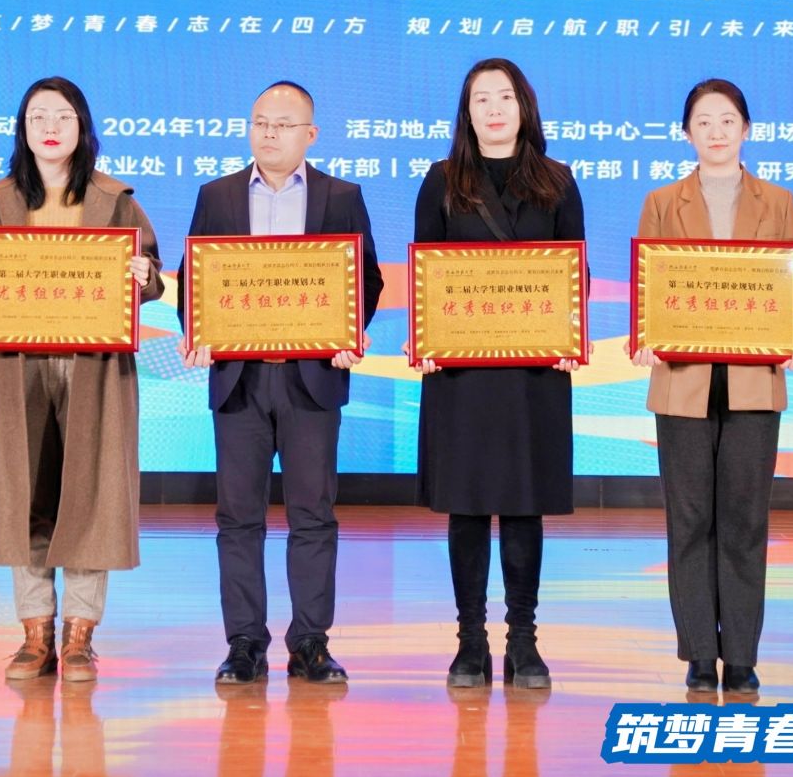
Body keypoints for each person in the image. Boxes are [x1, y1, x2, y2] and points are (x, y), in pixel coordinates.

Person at [0, 77, 163, 682]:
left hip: (93, 366)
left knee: (89, 496)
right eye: (37, 116)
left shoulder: (116, 200)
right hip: (18, 365)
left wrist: (143, 274)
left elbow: (152, 278)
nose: (50, 127)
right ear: (22, 129)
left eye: (63, 116)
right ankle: (35, 632)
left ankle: (80, 635)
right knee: (26, 495)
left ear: (82, 127)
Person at [180, 81, 385, 685]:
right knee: (237, 517)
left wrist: (348, 331)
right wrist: (200, 332)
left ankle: (310, 643)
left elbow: (366, 279)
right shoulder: (216, 195)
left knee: (313, 516)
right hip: (239, 380)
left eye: (283, 124)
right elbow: (195, 280)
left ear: (310, 134)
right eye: (260, 122)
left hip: (311, 379)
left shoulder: (341, 196)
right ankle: (244, 642)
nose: (269, 133)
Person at [632, 78, 793, 695]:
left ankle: (740, 655)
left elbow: (790, 282)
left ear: (747, 129)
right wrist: (645, 335)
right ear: (686, 132)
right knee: (688, 521)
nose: (716, 131)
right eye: (704, 121)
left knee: (744, 520)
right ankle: (698, 653)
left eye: (727, 120)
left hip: (754, 381)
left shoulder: (778, 201)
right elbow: (650, 286)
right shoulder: (662, 202)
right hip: (681, 380)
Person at [413, 57, 584, 690]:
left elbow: (575, 274)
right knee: (465, 510)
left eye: (504, 97)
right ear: (466, 111)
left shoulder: (558, 181)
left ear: (524, 106)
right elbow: (425, 272)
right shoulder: (441, 181)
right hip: (462, 374)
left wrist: (570, 335)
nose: (493, 108)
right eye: (481, 98)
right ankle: (469, 642)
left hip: (532, 372)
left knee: (522, 507)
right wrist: (425, 337)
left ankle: (523, 641)